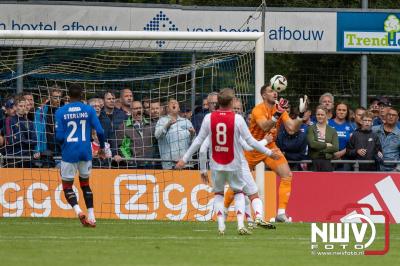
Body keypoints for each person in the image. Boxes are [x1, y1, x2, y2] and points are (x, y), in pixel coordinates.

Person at [176, 88, 280, 235]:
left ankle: (221, 226)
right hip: (235, 164)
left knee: (218, 193)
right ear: (232, 102)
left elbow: (199, 142)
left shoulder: (209, 118)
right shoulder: (237, 119)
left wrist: (185, 159)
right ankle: (245, 222)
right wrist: (269, 151)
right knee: (243, 193)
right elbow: (249, 143)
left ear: (218, 102)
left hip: (216, 164)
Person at [238, 82, 307, 222]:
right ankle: (224, 210)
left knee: (287, 175)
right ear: (264, 95)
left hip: (270, 145)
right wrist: (277, 114)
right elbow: (264, 126)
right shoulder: (258, 110)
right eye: (271, 91)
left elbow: (292, 128)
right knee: (237, 183)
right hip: (253, 147)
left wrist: (300, 115)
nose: (275, 93)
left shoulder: (279, 109)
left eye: (276, 91)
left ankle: (281, 214)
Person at [55, 83, 106, 227]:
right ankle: (92, 216)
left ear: (68, 96)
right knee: (85, 185)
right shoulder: (89, 110)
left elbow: (58, 137)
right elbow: (100, 132)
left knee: (67, 186)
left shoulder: (60, 112)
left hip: (69, 153)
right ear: (82, 95)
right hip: (85, 152)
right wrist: (101, 148)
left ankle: (78, 211)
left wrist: (64, 145)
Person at [155, 99, 195, 169]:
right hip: (170, 165)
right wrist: (167, 125)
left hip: (186, 164)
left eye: (175, 103)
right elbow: (157, 135)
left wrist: (192, 134)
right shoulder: (161, 121)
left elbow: (194, 143)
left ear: (179, 108)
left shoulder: (186, 121)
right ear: (167, 108)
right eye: (171, 103)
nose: (174, 104)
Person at [306, 105, 339, 172]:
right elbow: (312, 144)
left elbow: (335, 148)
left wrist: (319, 150)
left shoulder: (332, 130)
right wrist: (326, 145)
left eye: (322, 114)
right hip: (313, 161)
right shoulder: (311, 128)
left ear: (326, 115)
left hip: (327, 161)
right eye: (318, 114)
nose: (320, 116)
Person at [372, 107, 400, 171]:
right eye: (389, 114)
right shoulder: (374, 130)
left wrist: (397, 169)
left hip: (392, 170)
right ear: (385, 116)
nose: (391, 117)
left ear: (397, 118)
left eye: (394, 115)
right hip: (373, 168)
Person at [328, 102, 354, 170]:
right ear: (335, 111)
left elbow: (352, 144)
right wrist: (333, 154)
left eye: (344, 110)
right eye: (339, 110)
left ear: (347, 112)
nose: (341, 112)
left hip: (345, 159)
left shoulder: (351, 126)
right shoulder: (327, 123)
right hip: (328, 158)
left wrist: (340, 153)